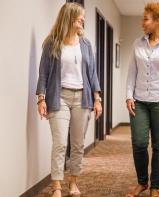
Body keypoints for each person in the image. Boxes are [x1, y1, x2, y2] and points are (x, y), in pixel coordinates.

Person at [36, 3, 102, 197]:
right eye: (80, 17)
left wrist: (97, 99)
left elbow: (92, 73)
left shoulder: (86, 44)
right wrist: (41, 99)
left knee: (77, 144)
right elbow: (43, 73)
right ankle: (57, 185)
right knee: (60, 143)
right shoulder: (53, 42)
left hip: (82, 98)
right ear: (69, 18)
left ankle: (73, 183)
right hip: (59, 97)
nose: (83, 20)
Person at [125, 2, 159, 197]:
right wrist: (128, 96)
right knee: (139, 143)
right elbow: (131, 73)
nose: (143, 22)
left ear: (158, 21)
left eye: (146, 19)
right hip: (139, 100)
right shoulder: (137, 44)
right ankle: (142, 182)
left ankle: (155, 187)